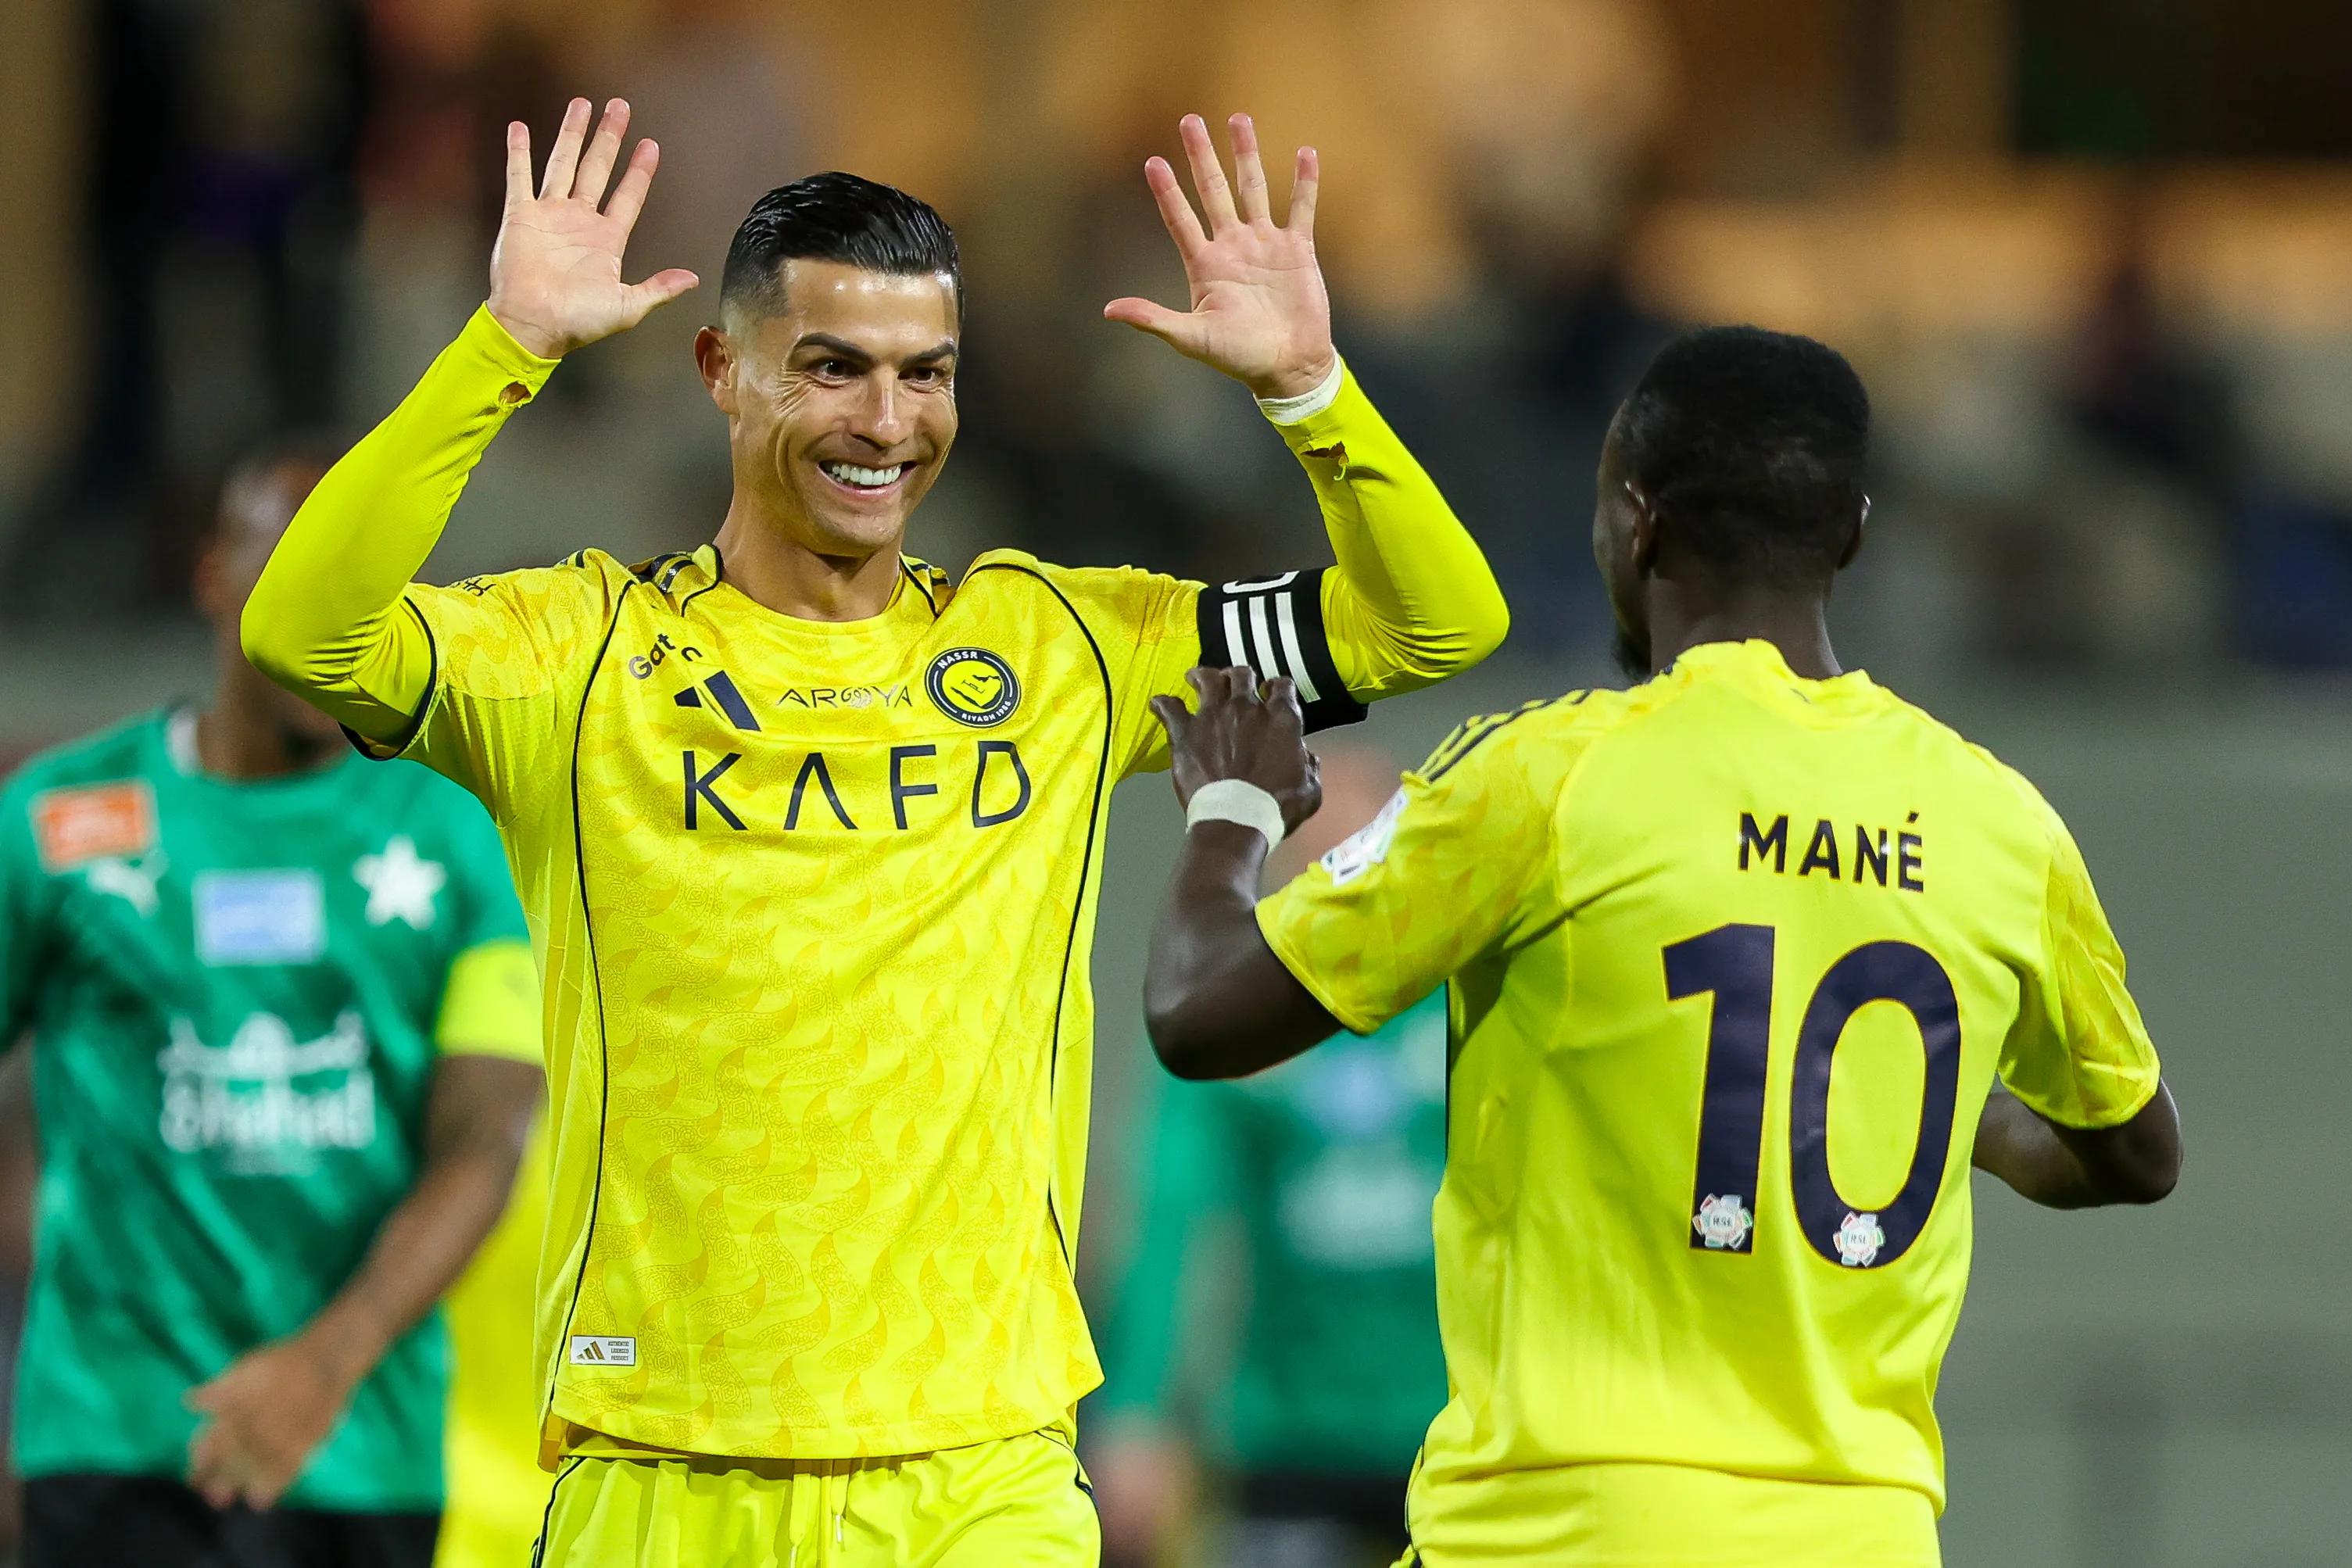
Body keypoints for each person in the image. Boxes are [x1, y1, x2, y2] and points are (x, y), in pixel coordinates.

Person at [240, 95, 1505, 1564]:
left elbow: (1433, 621)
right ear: (722, 370)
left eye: (925, 376)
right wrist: (503, 353)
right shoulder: (578, 656)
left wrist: (1306, 389)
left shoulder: (1061, 649)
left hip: (979, 1466)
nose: (885, 424)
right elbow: (304, 632)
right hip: (667, 1455)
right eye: (831, 369)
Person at [1140, 326, 2184, 1566]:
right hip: (1865, 1535)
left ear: (1632, 522)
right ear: (1849, 532)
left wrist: (1233, 809)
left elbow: (1197, 1011)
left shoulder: (1545, 779)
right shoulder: (1999, 821)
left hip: (1563, 1528)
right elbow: (2136, 1149)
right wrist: (1953, 1107)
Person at [0, 445, 548, 1567]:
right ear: (213, 575)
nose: (322, 614)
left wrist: (326, 1361)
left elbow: (488, 1136)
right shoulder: (59, 821)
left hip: (359, 1447)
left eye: (360, 584)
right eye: (289, 570)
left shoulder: (458, 836)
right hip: (114, 1444)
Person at [1091, 746, 1447, 1568]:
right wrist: (1138, 1409)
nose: (1339, 855)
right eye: (1315, 834)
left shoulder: (1466, 993)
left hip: (1454, 1433)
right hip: (1284, 1434)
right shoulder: (1242, 1012)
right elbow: (1165, 1218)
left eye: (1363, 833)